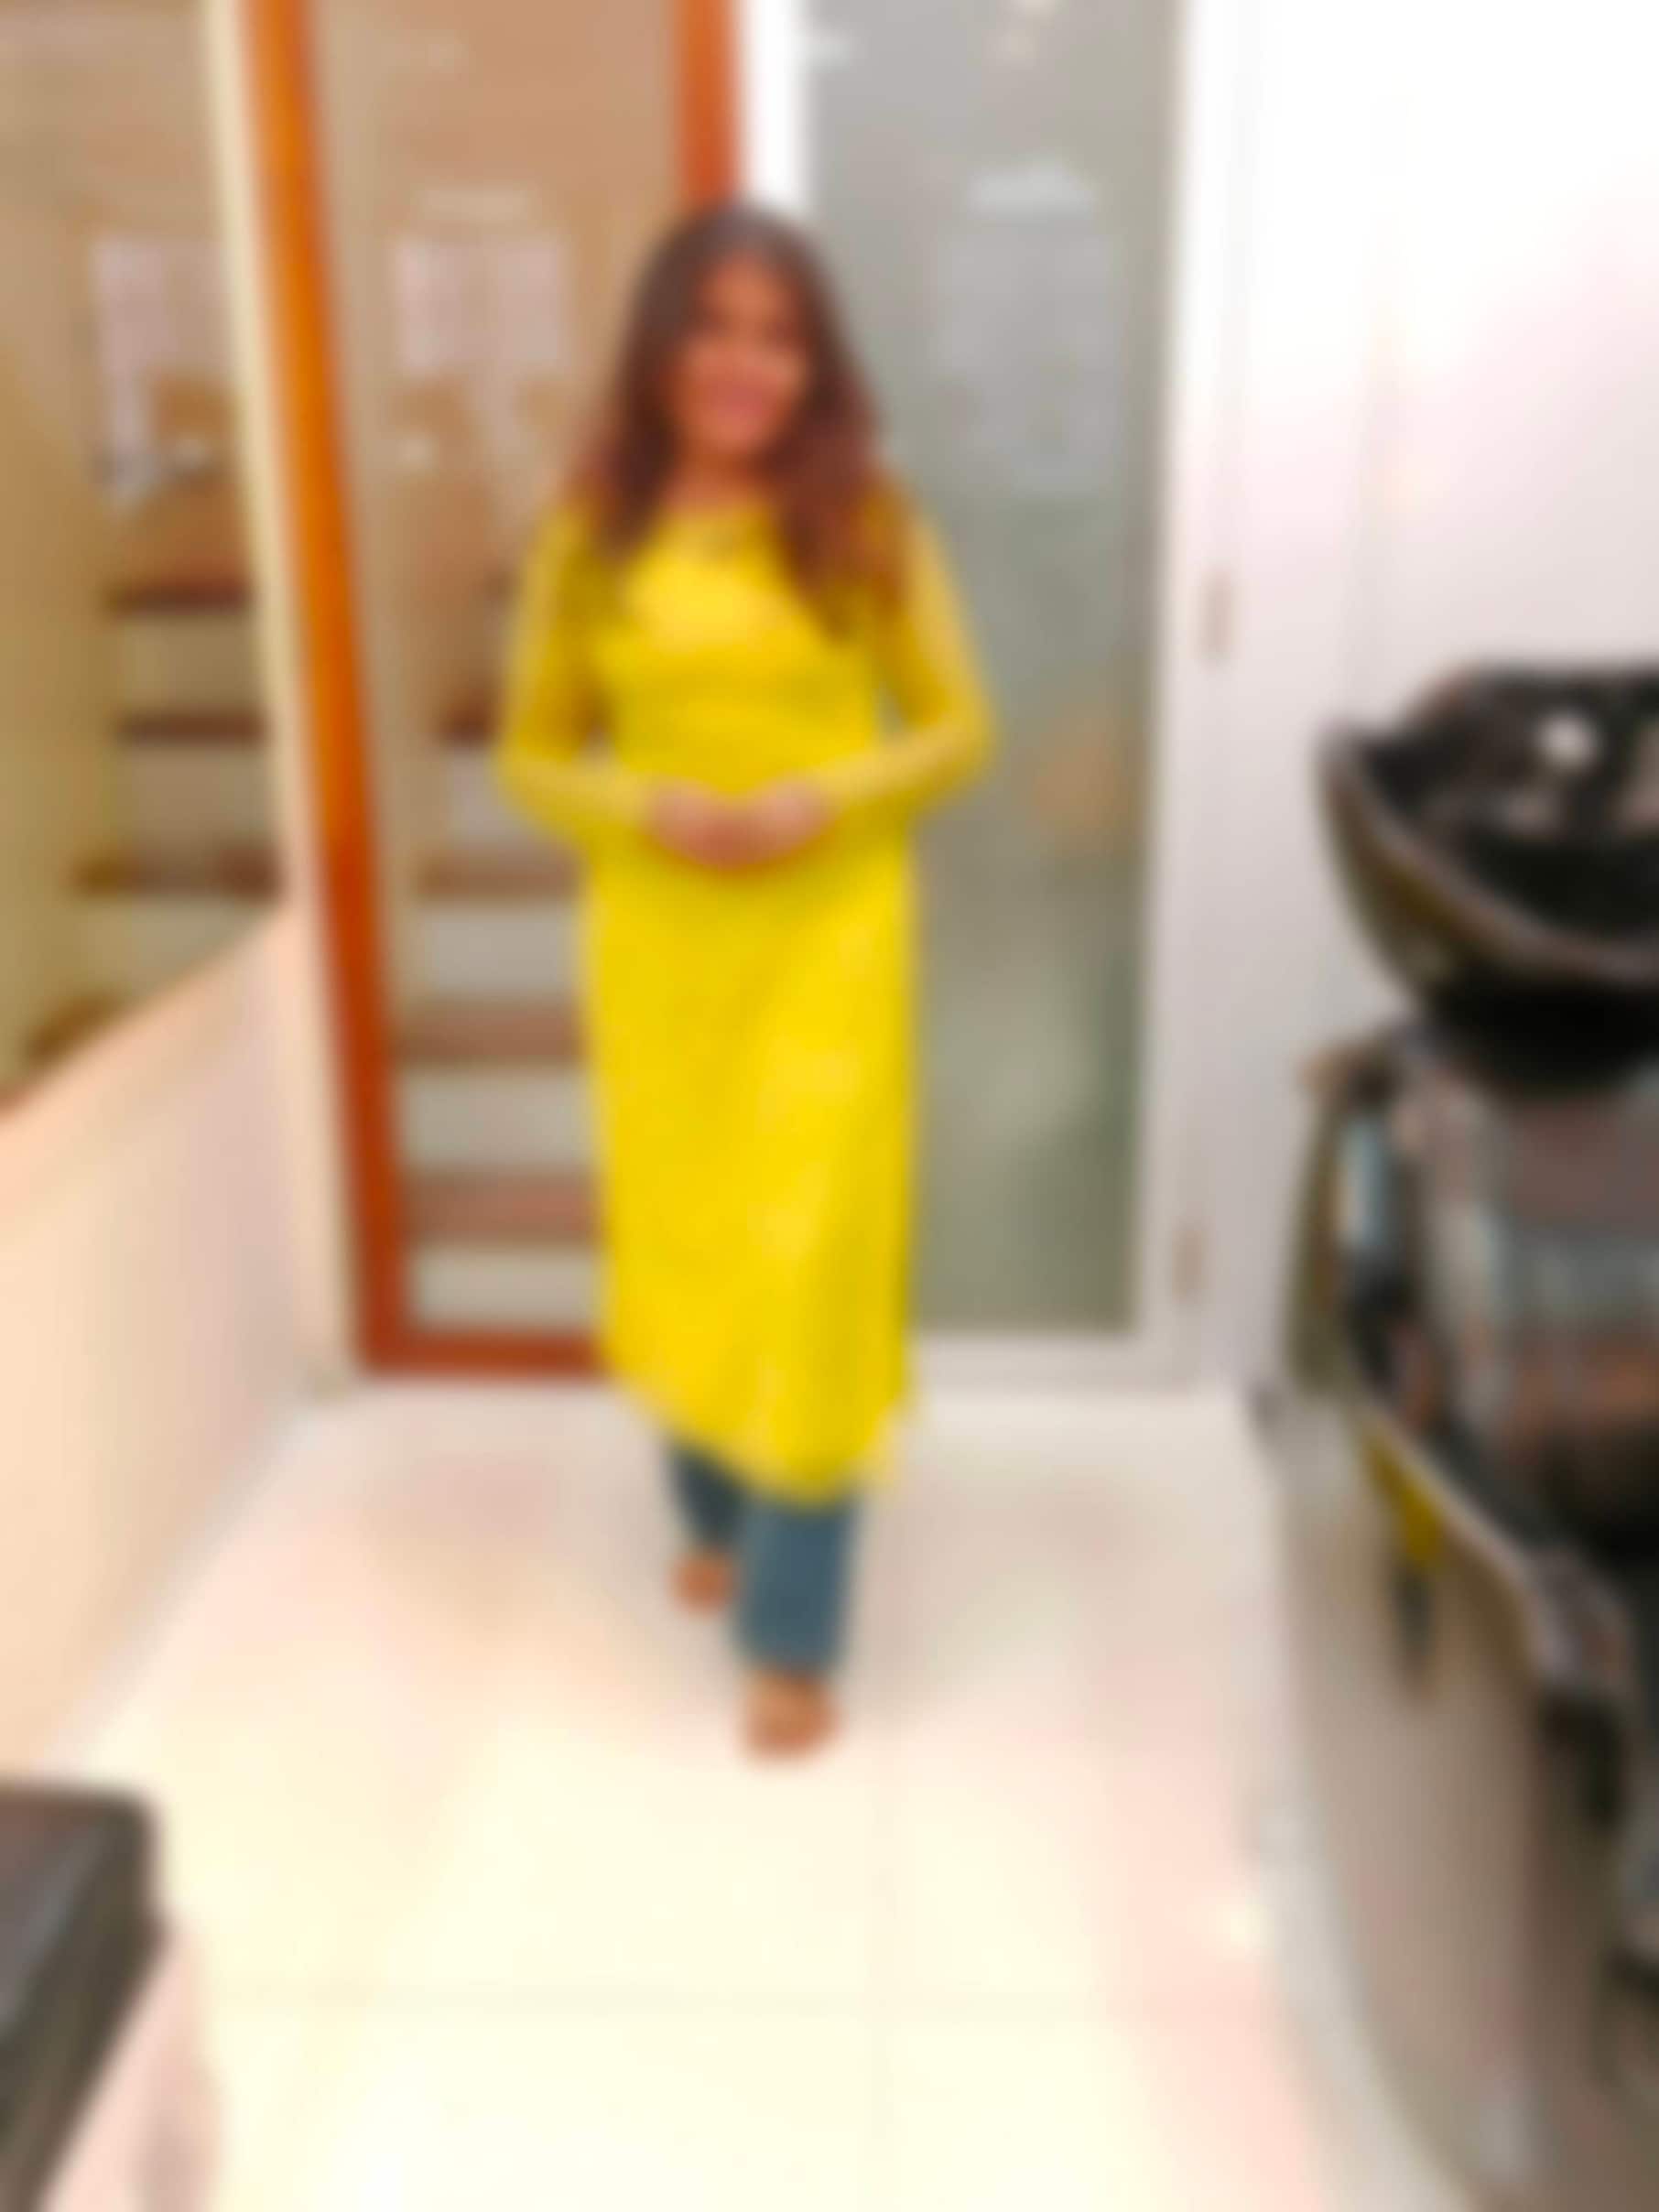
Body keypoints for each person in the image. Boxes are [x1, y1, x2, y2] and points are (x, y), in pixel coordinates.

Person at [495, 202, 992, 1756]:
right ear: (661, 344)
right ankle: (711, 1512)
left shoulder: (865, 517)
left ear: (814, 366)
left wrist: (819, 800)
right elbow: (530, 755)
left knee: (813, 1271)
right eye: (712, 326)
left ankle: (791, 1633)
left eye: (778, 337)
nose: (742, 364)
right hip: (661, 954)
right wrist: (647, 808)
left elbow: (959, 728)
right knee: (692, 1247)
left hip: (828, 949)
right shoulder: (593, 528)